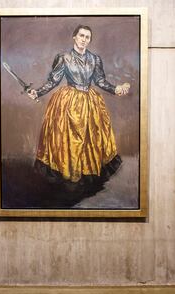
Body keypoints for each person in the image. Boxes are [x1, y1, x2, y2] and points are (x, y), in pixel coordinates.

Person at [27, 25, 130, 192]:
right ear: (74, 37)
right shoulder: (63, 57)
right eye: (81, 35)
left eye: (87, 37)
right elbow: (53, 81)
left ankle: (86, 175)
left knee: (92, 138)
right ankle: (68, 174)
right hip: (69, 102)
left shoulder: (95, 59)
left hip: (89, 103)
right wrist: (37, 92)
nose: (84, 39)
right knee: (66, 138)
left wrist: (116, 89)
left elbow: (100, 81)